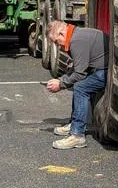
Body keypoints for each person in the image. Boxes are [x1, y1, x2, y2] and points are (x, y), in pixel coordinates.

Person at [45, 20, 108, 149]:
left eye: (57, 42)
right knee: (79, 85)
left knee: (80, 88)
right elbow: (79, 68)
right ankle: (75, 123)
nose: (59, 46)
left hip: (108, 71)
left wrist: (61, 84)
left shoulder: (76, 41)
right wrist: (62, 79)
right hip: (103, 68)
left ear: (62, 34)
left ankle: (77, 134)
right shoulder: (77, 35)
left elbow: (80, 74)